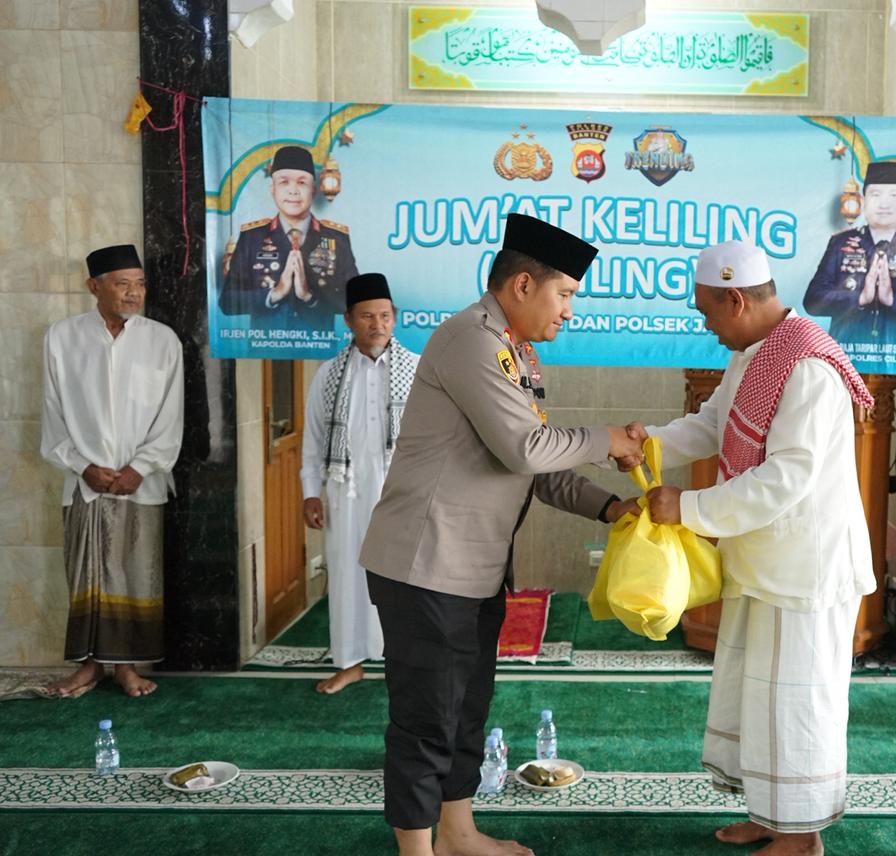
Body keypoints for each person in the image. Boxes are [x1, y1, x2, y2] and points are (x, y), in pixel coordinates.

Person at [358, 213, 643, 856]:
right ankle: (417, 851)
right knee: (426, 719)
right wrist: (608, 439)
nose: (568, 310)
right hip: (426, 564)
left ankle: (458, 834)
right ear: (522, 285)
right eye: (564, 294)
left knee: (466, 710)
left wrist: (610, 509)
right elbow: (527, 447)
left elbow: (535, 464)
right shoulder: (472, 341)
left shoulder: (515, 352)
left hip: (473, 567)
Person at [628, 240, 878, 856]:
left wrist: (688, 507)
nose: (706, 325)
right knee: (762, 699)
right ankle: (772, 816)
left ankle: (802, 837)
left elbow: (786, 478)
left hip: (805, 572)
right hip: (764, 562)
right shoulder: (756, 356)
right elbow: (711, 425)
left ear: (735, 300)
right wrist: (643, 443)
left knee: (797, 705)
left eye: (706, 311)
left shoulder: (807, 366)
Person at [40, 244, 184, 698]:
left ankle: (126, 668)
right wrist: (82, 466)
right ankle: (90, 667)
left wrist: (140, 467)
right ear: (94, 287)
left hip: (142, 484)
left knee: (135, 574)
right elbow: (52, 414)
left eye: (139, 284)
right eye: (123, 284)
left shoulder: (163, 341)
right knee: (87, 577)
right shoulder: (62, 338)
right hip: (85, 484)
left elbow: (171, 417)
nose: (134, 293)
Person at [300, 273, 418, 694]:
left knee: (403, 578)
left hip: (401, 492)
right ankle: (349, 662)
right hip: (344, 492)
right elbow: (313, 439)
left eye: (385, 316)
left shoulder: (417, 370)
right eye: (367, 316)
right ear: (349, 319)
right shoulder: (329, 375)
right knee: (348, 573)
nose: (377, 324)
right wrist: (310, 492)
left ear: (395, 318)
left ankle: (403, 662)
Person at [803, 160, 896, 348]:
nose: (884, 204)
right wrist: (860, 297)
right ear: (863, 201)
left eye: (894, 195)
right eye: (876, 195)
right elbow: (812, 301)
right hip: (848, 356)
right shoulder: (841, 243)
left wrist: (893, 299)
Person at [219, 144, 357, 329]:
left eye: (302, 182)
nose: (293, 190)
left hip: (317, 344)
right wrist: (275, 294)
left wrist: (310, 296)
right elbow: (227, 301)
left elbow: (356, 301)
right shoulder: (251, 238)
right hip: (267, 343)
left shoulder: (336, 239)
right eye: (284, 182)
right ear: (273, 189)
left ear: (313, 190)